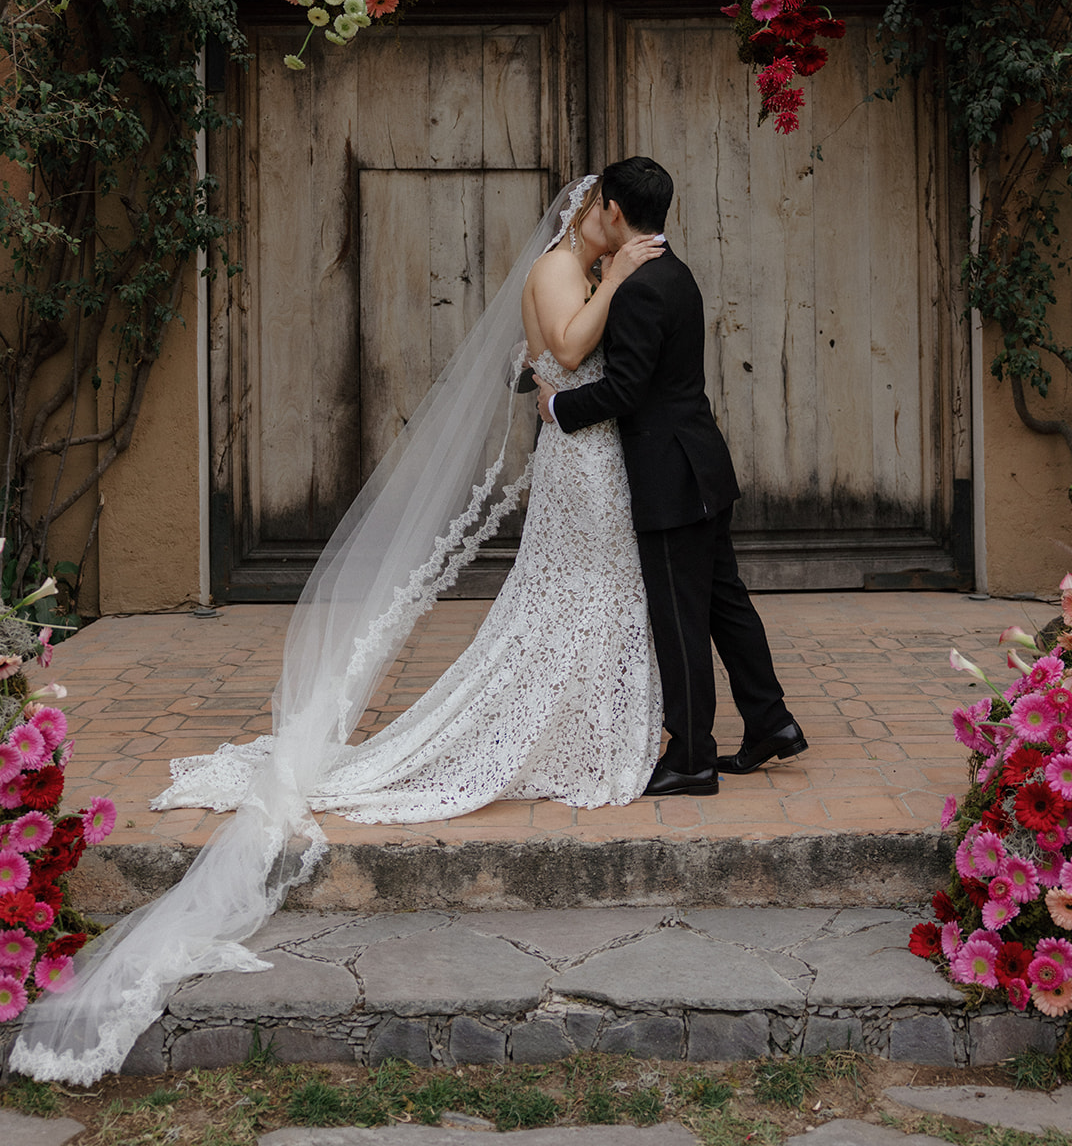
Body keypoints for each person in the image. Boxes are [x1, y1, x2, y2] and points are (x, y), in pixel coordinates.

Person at [9, 176, 663, 1083]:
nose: (613, 230)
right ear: (588, 216)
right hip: (578, 461)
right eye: (606, 218)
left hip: (592, 459)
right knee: (565, 601)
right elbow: (562, 344)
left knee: (589, 600)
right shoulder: (562, 269)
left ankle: (588, 724)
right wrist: (620, 280)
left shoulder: (584, 265)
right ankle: (551, 728)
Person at [536, 158, 807, 797]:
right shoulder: (675, 272)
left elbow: (626, 390)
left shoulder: (635, 287)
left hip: (668, 475)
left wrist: (557, 406)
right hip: (703, 462)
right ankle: (772, 722)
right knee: (723, 602)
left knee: (680, 618)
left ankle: (691, 756)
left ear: (613, 212)